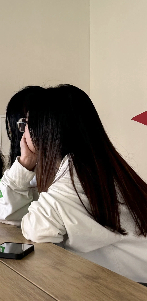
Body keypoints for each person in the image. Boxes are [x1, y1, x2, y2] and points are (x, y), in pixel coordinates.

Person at [13, 85, 147, 283]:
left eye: (27, 124)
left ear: (46, 131)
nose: (23, 132)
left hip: (134, 290)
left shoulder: (75, 174)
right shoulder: (98, 163)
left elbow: (37, 229)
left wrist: (25, 162)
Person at [0, 86, 44, 225]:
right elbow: (1, 211)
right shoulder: (26, 164)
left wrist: (25, 163)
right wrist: (25, 163)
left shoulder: (63, 169)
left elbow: (7, 215)